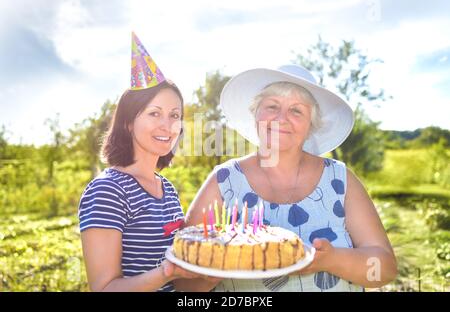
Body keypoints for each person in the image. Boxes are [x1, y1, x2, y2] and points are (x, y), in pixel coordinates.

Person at [185, 65, 398, 291]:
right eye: (272, 106)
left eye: (296, 111)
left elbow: (384, 269)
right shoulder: (223, 180)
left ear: (311, 125)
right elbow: (183, 282)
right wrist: (212, 270)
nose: (281, 118)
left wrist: (330, 260)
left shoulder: (340, 179)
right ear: (255, 114)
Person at [78, 32, 213, 291]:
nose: (168, 125)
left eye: (175, 115)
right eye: (154, 113)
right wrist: (165, 273)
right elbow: (104, 288)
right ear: (128, 122)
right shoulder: (107, 191)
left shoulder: (167, 189)